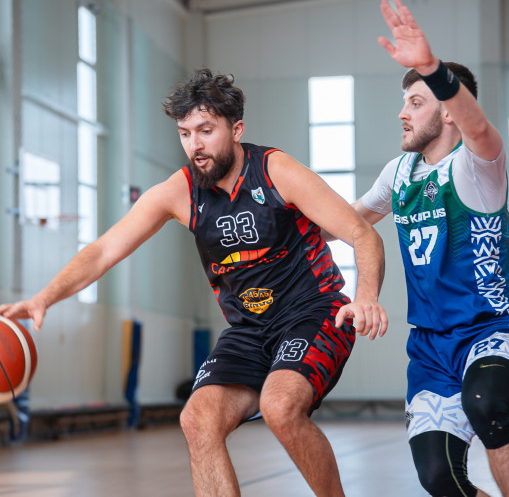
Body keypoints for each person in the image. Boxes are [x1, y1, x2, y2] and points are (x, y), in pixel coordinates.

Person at [0, 68, 388, 496]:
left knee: (280, 407)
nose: (195, 145)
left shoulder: (276, 170)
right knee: (197, 420)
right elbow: (105, 249)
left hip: (314, 313)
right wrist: (45, 297)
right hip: (249, 329)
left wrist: (366, 295)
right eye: (185, 133)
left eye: (206, 130)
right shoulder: (180, 191)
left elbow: (362, 234)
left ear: (236, 129)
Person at [351, 0, 509, 497]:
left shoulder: (478, 166)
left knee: (490, 405)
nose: (402, 114)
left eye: (416, 102)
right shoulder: (399, 173)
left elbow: (479, 127)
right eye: (405, 102)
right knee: (439, 477)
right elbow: (348, 221)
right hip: (430, 346)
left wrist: (431, 67)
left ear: (447, 112)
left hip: (490, 330)